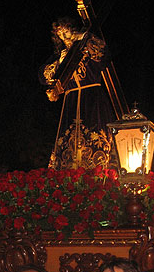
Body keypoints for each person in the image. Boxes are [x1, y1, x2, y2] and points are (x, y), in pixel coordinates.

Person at [40, 17, 119, 171]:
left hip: (92, 98)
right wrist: (59, 63)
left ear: (73, 30)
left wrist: (86, 40)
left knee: (94, 135)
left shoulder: (87, 45)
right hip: (71, 100)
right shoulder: (60, 55)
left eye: (66, 31)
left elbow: (104, 56)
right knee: (70, 142)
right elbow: (43, 76)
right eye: (60, 34)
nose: (64, 36)